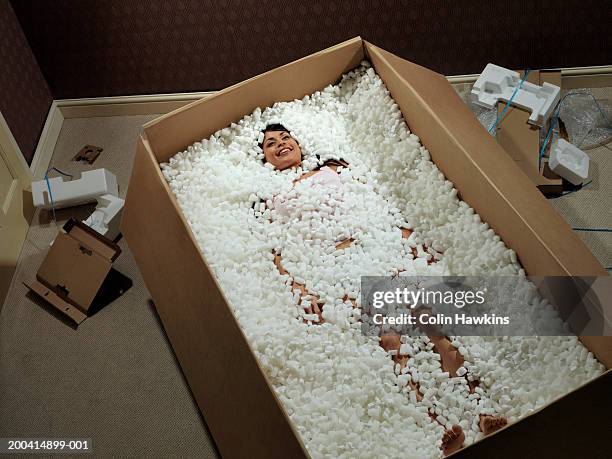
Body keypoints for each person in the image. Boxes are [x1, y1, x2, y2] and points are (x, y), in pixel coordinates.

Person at [260, 124, 506, 455]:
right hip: (336, 269)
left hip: (376, 246)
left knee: (431, 325)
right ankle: (442, 427)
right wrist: (301, 290)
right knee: (392, 342)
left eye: (285, 137)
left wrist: (406, 235)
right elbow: (278, 251)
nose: (281, 145)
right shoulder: (271, 200)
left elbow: (374, 200)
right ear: (263, 158)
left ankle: (481, 409)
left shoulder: (332, 167)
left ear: (299, 141)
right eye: (270, 144)